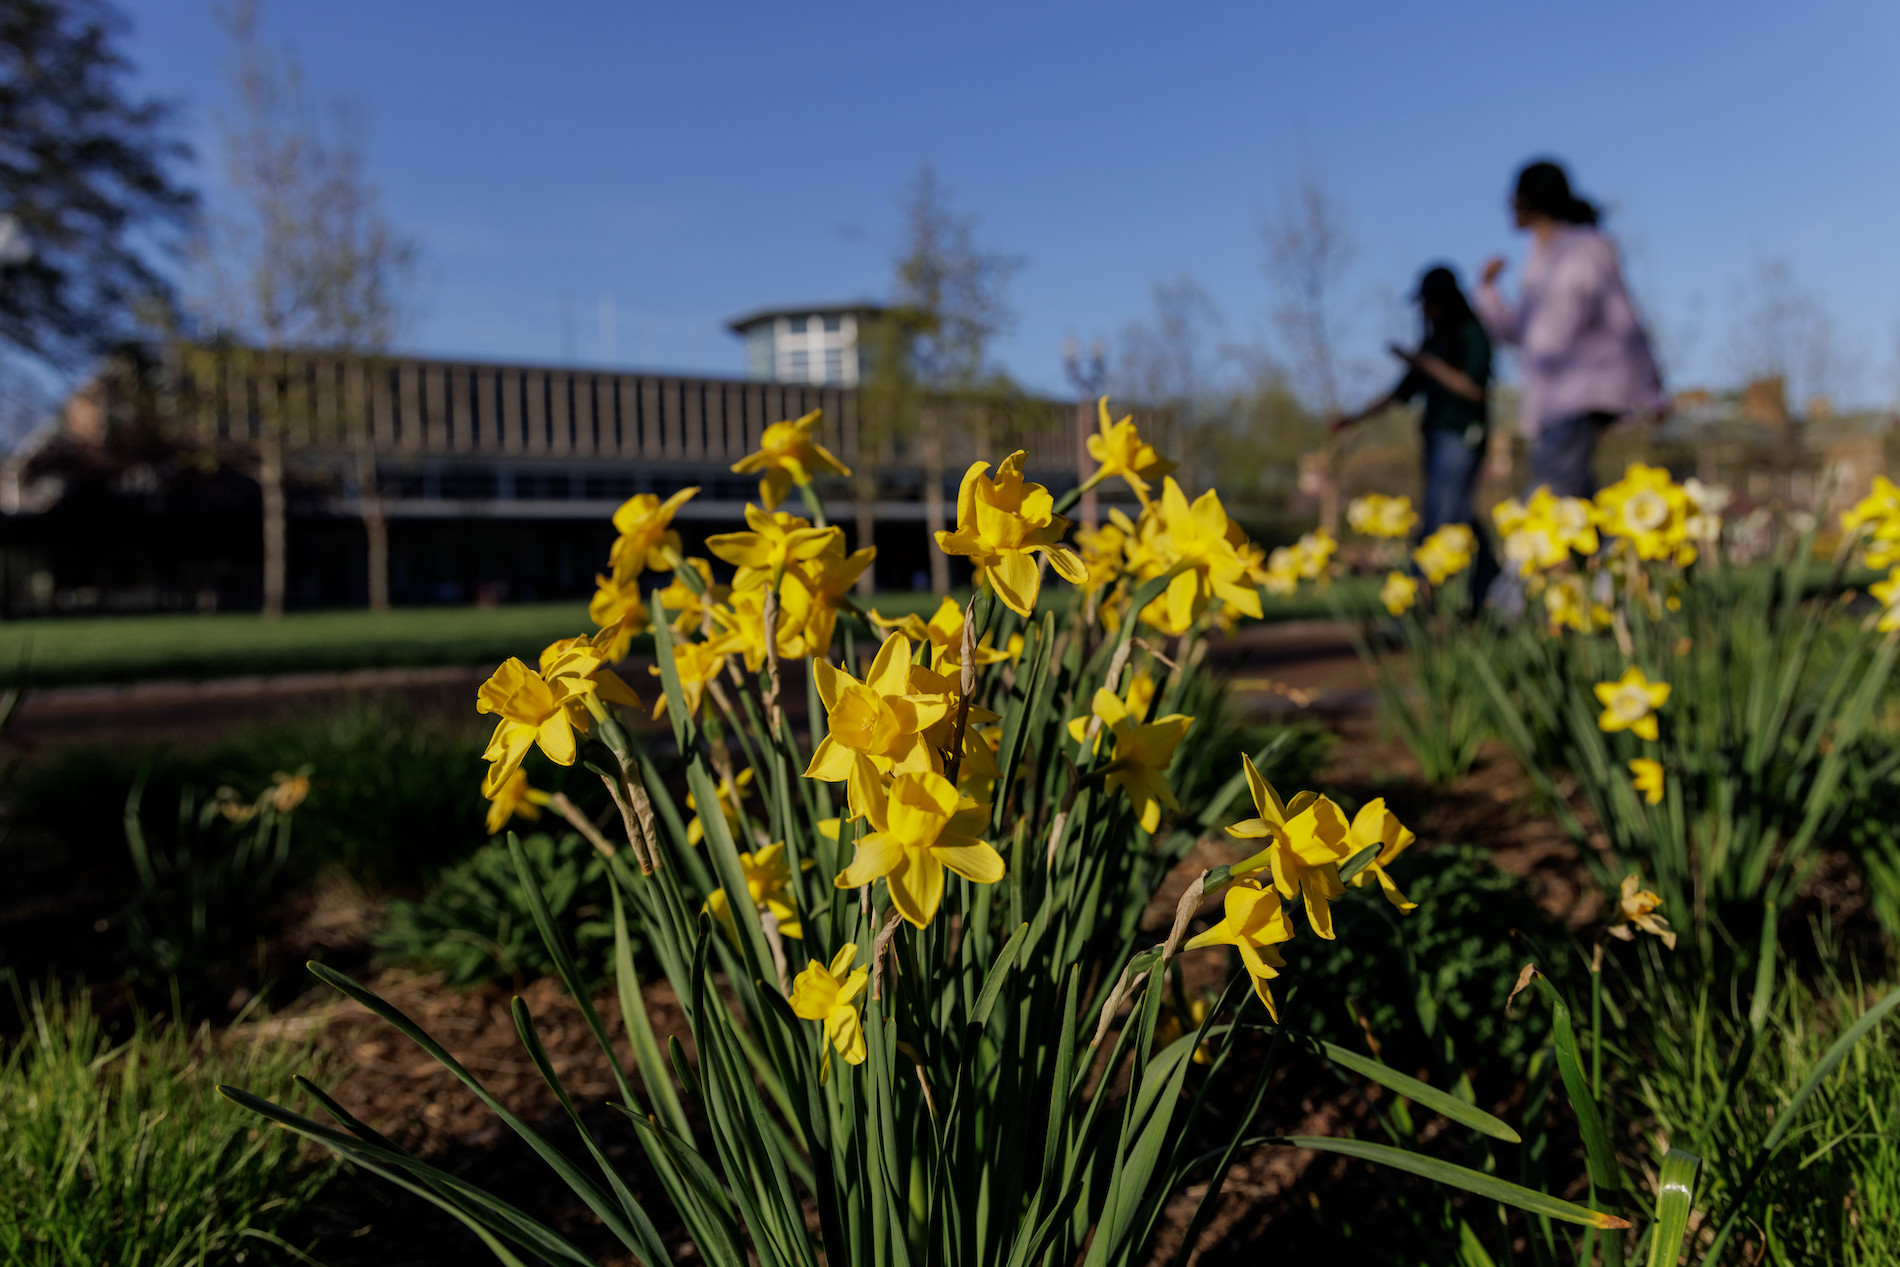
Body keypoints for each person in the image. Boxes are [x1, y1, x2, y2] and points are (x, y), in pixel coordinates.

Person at [1474, 159, 1664, 498]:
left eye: (1512, 199)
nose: (1510, 208)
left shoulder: (1587, 248)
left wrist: (1651, 388)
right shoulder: (1537, 259)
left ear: (1530, 200)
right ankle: (1610, 549)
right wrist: (1488, 292)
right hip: (1550, 400)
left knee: (1546, 498)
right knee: (1575, 501)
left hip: (1583, 390)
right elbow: (1523, 332)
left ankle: (1530, 553)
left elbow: (1622, 315)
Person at [1331, 264, 1498, 605]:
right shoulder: (1433, 341)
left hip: (1463, 435)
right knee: (1461, 516)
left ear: (1446, 300)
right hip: (1436, 437)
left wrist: (1424, 364)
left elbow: (1475, 390)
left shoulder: (1472, 333)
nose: (1426, 310)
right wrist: (1353, 419)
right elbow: (1398, 393)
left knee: (1439, 517)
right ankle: (1490, 597)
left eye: (1430, 302)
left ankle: (1416, 604)